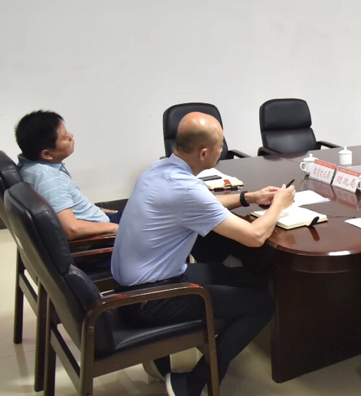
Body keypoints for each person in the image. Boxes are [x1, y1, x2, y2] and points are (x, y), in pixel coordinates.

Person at [111, 112, 294, 396]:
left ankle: (162, 359)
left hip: (135, 284)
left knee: (242, 274)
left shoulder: (159, 169)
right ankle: (190, 384)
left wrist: (249, 197)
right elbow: (255, 236)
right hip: (149, 299)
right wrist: (279, 205)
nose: (223, 150)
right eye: (220, 146)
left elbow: (202, 202)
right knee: (262, 305)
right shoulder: (186, 189)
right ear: (204, 153)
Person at [15, 110, 119, 241]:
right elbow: (71, 229)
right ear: (47, 154)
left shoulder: (29, 166)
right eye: (64, 137)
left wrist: (97, 211)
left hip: (101, 222)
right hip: (102, 235)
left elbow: (67, 208)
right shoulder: (47, 177)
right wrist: (116, 228)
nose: (71, 136)